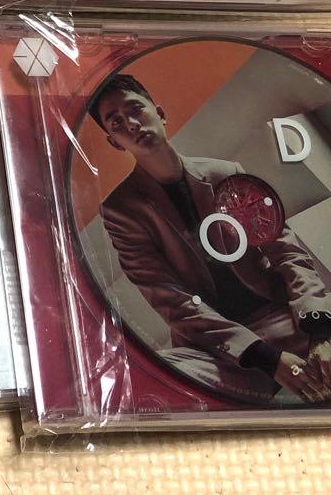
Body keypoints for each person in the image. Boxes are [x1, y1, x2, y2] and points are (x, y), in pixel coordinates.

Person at [90, 72, 331, 404]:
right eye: (116, 122)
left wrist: (320, 332)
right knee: (146, 373)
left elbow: (287, 253)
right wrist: (267, 359)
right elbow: (171, 301)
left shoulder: (226, 172)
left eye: (135, 109)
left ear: (160, 113)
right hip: (216, 349)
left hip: (283, 317)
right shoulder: (120, 211)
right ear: (115, 142)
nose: (130, 124)